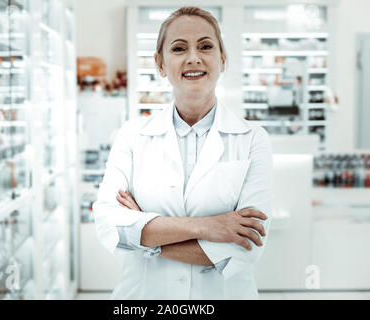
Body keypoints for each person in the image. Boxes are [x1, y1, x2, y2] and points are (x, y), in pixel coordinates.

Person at [93, 6, 273, 300]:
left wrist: (146, 234)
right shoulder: (132, 135)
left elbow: (246, 247)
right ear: (160, 64)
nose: (193, 57)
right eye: (179, 48)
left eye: (205, 46)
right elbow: (111, 225)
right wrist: (211, 226)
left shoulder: (253, 139)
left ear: (222, 60)